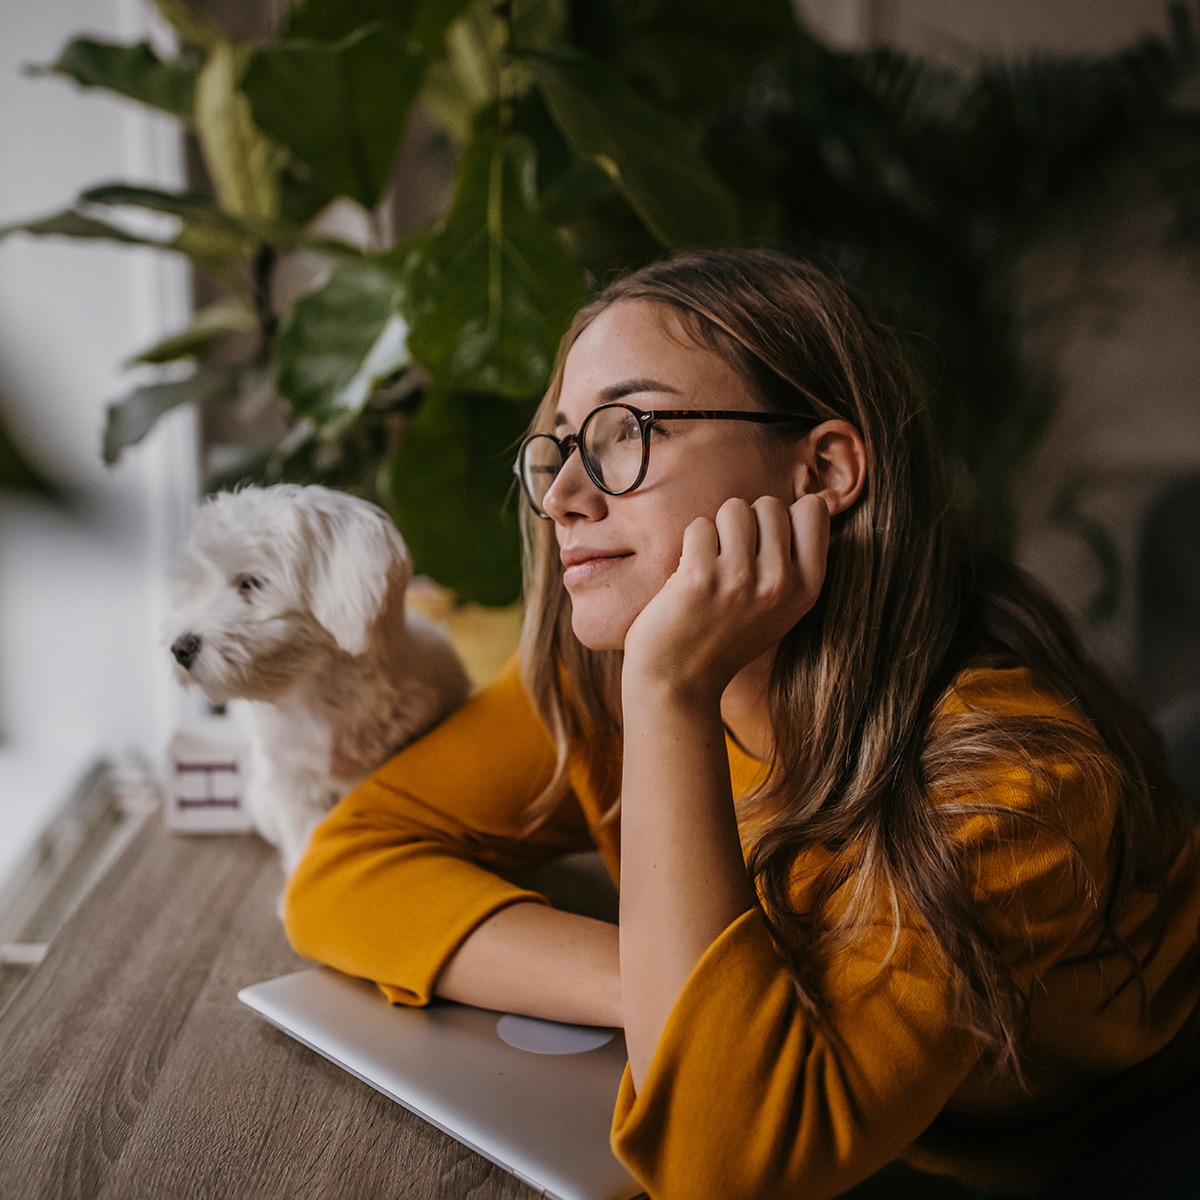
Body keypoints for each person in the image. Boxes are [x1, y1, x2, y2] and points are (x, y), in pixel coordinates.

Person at [283, 249, 1200, 1199]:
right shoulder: (607, 680)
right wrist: (646, 983)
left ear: (824, 469)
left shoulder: (1013, 783)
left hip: (1094, 1152)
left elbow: (725, 1172)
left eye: (628, 429)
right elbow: (346, 869)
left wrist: (671, 694)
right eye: (560, 445)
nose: (563, 496)